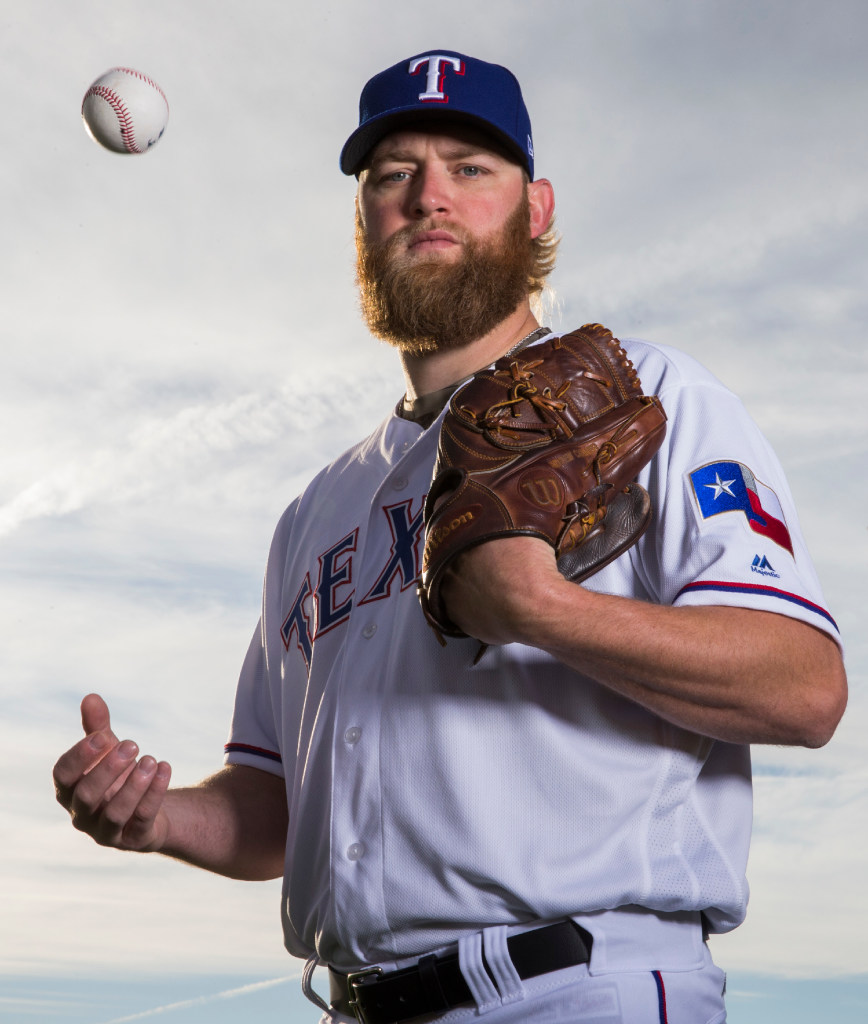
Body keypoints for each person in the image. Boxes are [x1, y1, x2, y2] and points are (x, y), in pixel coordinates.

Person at [54, 50, 847, 1024]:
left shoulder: (650, 395)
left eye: (470, 168)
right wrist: (156, 814)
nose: (429, 195)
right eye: (393, 174)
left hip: (580, 989)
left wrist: (540, 607)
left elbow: (804, 686)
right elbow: (272, 809)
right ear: (363, 219)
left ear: (536, 207)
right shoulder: (315, 510)